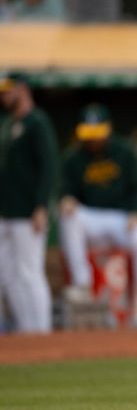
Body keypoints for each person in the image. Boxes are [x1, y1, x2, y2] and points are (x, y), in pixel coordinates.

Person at [59, 104, 137, 327]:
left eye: (97, 134)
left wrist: (136, 212)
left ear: (108, 129)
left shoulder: (124, 152)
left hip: (122, 219)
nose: (93, 140)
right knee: (68, 216)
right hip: (90, 219)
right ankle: (82, 284)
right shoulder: (74, 157)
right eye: (89, 135)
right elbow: (66, 191)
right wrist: (67, 199)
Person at [0, 72, 58, 334]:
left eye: (8, 90)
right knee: (8, 276)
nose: (4, 95)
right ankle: (26, 332)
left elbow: (48, 167)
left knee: (29, 273)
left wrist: (41, 206)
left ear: (22, 89)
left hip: (28, 211)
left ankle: (41, 333)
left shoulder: (38, 122)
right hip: (6, 211)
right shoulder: (7, 124)